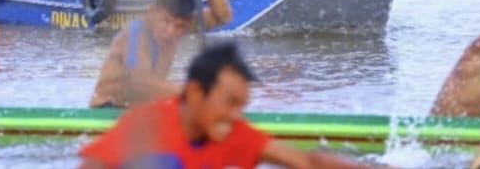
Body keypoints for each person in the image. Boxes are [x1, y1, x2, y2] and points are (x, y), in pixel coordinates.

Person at [80, 42, 373, 168]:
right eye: (230, 103)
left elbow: (308, 162)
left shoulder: (232, 132)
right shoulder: (147, 123)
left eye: (241, 105)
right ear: (195, 93)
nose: (236, 115)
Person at [87, 0, 232, 109]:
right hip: (107, 109)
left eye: (180, 26)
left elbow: (222, 17)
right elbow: (141, 84)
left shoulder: (178, 26)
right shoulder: (135, 33)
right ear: (152, 12)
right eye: (166, 21)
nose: (170, 31)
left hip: (141, 111)